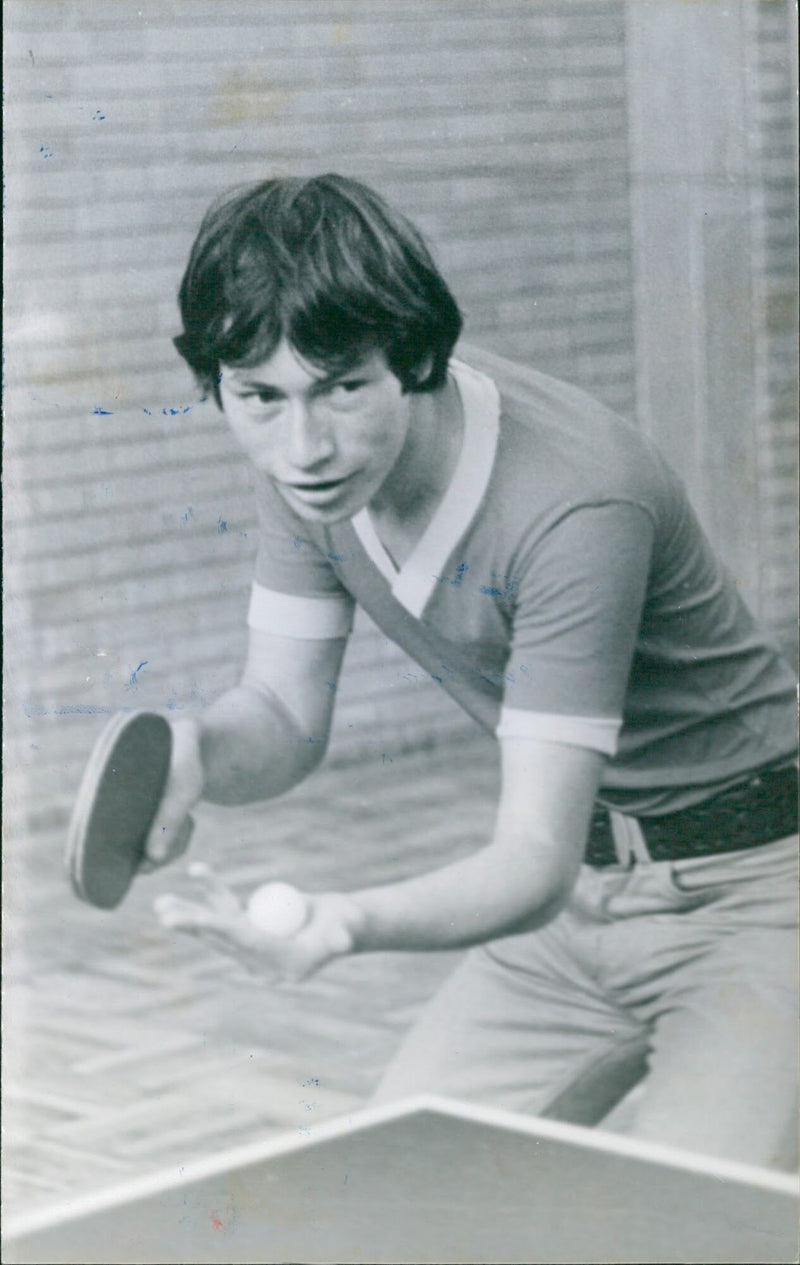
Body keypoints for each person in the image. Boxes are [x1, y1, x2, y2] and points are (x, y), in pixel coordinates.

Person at [148, 174, 798, 1168]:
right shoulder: (309, 465)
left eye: (341, 388)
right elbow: (280, 710)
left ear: (409, 355)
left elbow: (524, 859)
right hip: (573, 895)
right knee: (401, 1194)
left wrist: (341, 922)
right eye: (259, 399)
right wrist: (193, 754)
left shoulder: (574, 504)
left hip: (754, 896)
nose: (304, 443)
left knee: (697, 1225)